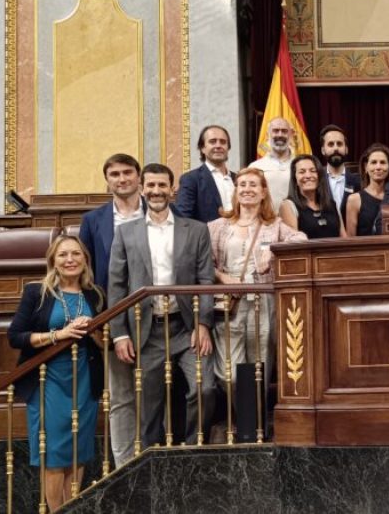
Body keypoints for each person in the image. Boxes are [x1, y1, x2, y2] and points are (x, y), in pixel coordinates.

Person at [108, 163, 216, 448]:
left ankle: (193, 450)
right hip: (146, 332)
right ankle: (153, 462)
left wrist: (203, 324)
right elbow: (116, 286)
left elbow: (206, 280)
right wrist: (119, 334)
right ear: (142, 190)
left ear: (172, 190)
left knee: (204, 388)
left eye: (162, 186)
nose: (156, 191)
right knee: (149, 408)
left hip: (186, 327)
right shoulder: (126, 233)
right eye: (151, 186)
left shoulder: (195, 229)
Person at [207, 168, 307, 440]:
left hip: (263, 303)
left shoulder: (274, 225)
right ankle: (245, 418)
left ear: (264, 192)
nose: (248, 189)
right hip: (229, 303)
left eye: (254, 185)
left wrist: (271, 252)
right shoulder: (216, 226)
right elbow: (206, 263)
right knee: (227, 371)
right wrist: (223, 277)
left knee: (259, 366)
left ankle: (251, 429)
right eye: (242, 185)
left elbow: (300, 239)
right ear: (235, 191)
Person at [8, 235, 103, 512]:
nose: (70, 260)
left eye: (76, 254)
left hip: (84, 379)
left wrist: (93, 328)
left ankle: (71, 508)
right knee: (54, 455)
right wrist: (58, 335)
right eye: (63, 255)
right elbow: (15, 336)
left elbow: (105, 343)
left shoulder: (95, 294)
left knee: (78, 453)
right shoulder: (36, 292)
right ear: (53, 261)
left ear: (85, 259)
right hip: (47, 380)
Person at [77, 153, 144, 468]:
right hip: (113, 316)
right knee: (120, 395)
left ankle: (157, 453)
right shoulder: (94, 221)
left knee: (161, 390)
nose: (122, 179)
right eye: (114, 174)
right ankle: (125, 464)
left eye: (127, 172)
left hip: (158, 313)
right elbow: (85, 273)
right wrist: (98, 319)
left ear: (138, 176)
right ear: (107, 180)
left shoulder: (161, 211)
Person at [176, 125, 236, 222]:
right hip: (207, 236)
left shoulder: (238, 179)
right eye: (212, 141)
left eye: (223, 142)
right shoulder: (191, 179)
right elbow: (183, 219)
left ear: (228, 148)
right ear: (202, 148)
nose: (218, 145)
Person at [279, 155, 346, 239]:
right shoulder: (288, 206)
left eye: (313, 171)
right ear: (294, 179)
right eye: (302, 172)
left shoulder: (332, 204)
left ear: (319, 176)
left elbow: (344, 240)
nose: (308, 175)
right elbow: (293, 246)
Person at [345, 143, 389, 237]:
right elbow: (350, 240)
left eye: (383, 162)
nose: (378, 167)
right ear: (366, 167)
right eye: (373, 162)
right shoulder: (354, 200)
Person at [250, 117, 298, 208]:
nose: (280, 135)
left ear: (291, 134)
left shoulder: (300, 166)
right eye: (275, 131)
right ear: (268, 134)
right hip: (266, 220)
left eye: (284, 131)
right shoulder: (255, 167)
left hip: (298, 221)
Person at [319, 124, 361, 220]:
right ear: (323, 150)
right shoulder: (316, 179)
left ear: (346, 149)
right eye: (330, 144)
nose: (336, 148)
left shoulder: (359, 182)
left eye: (339, 144)